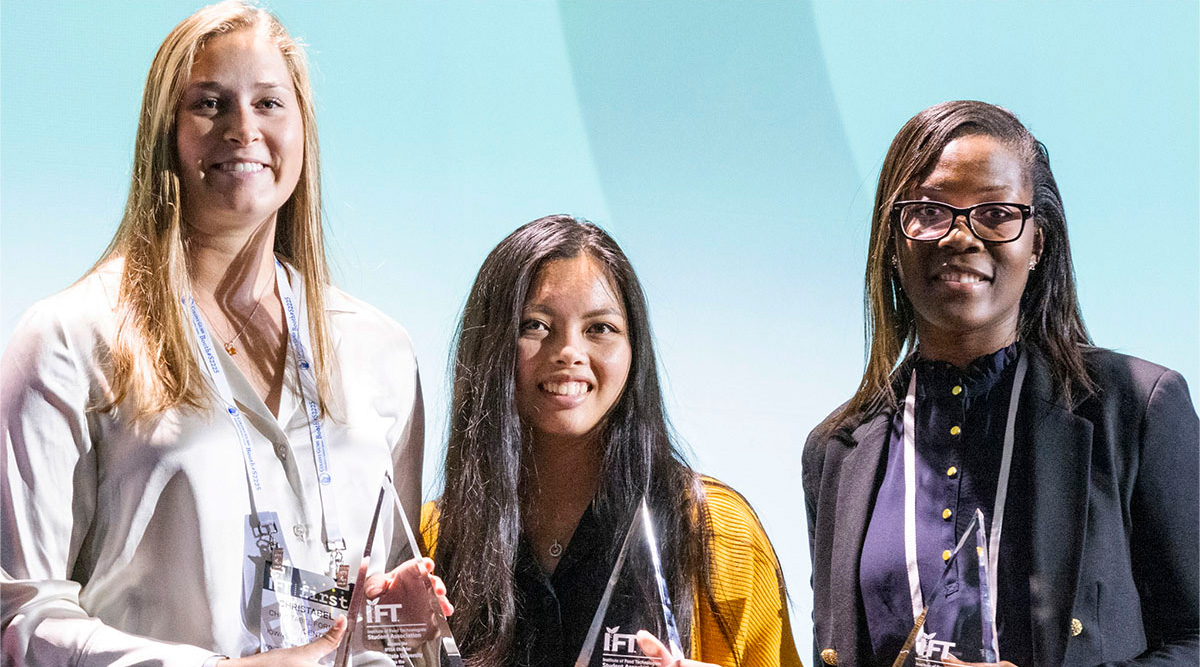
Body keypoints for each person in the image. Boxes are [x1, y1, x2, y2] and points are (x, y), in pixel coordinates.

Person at [1, 3, 447, 665]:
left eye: (269, 102)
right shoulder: (70, 338)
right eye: (210, 103)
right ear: (164, 132)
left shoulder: (379, 350)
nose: (243, 128)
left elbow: (365, 629)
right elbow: (20, 614)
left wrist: (396, 627)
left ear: (303, 131)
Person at [802, 100, 1198, 667]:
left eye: (995, 213)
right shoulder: (836, 450)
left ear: (1037, 243)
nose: (961, 236)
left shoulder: (1138, 408)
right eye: (930, 211)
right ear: (892, 244)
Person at [420, 215, 802, 667]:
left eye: (599, 328)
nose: (569, 352)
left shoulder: (715, 533)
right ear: (490, 344)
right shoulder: (434, 541)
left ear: (634, 350)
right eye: (535, 325)